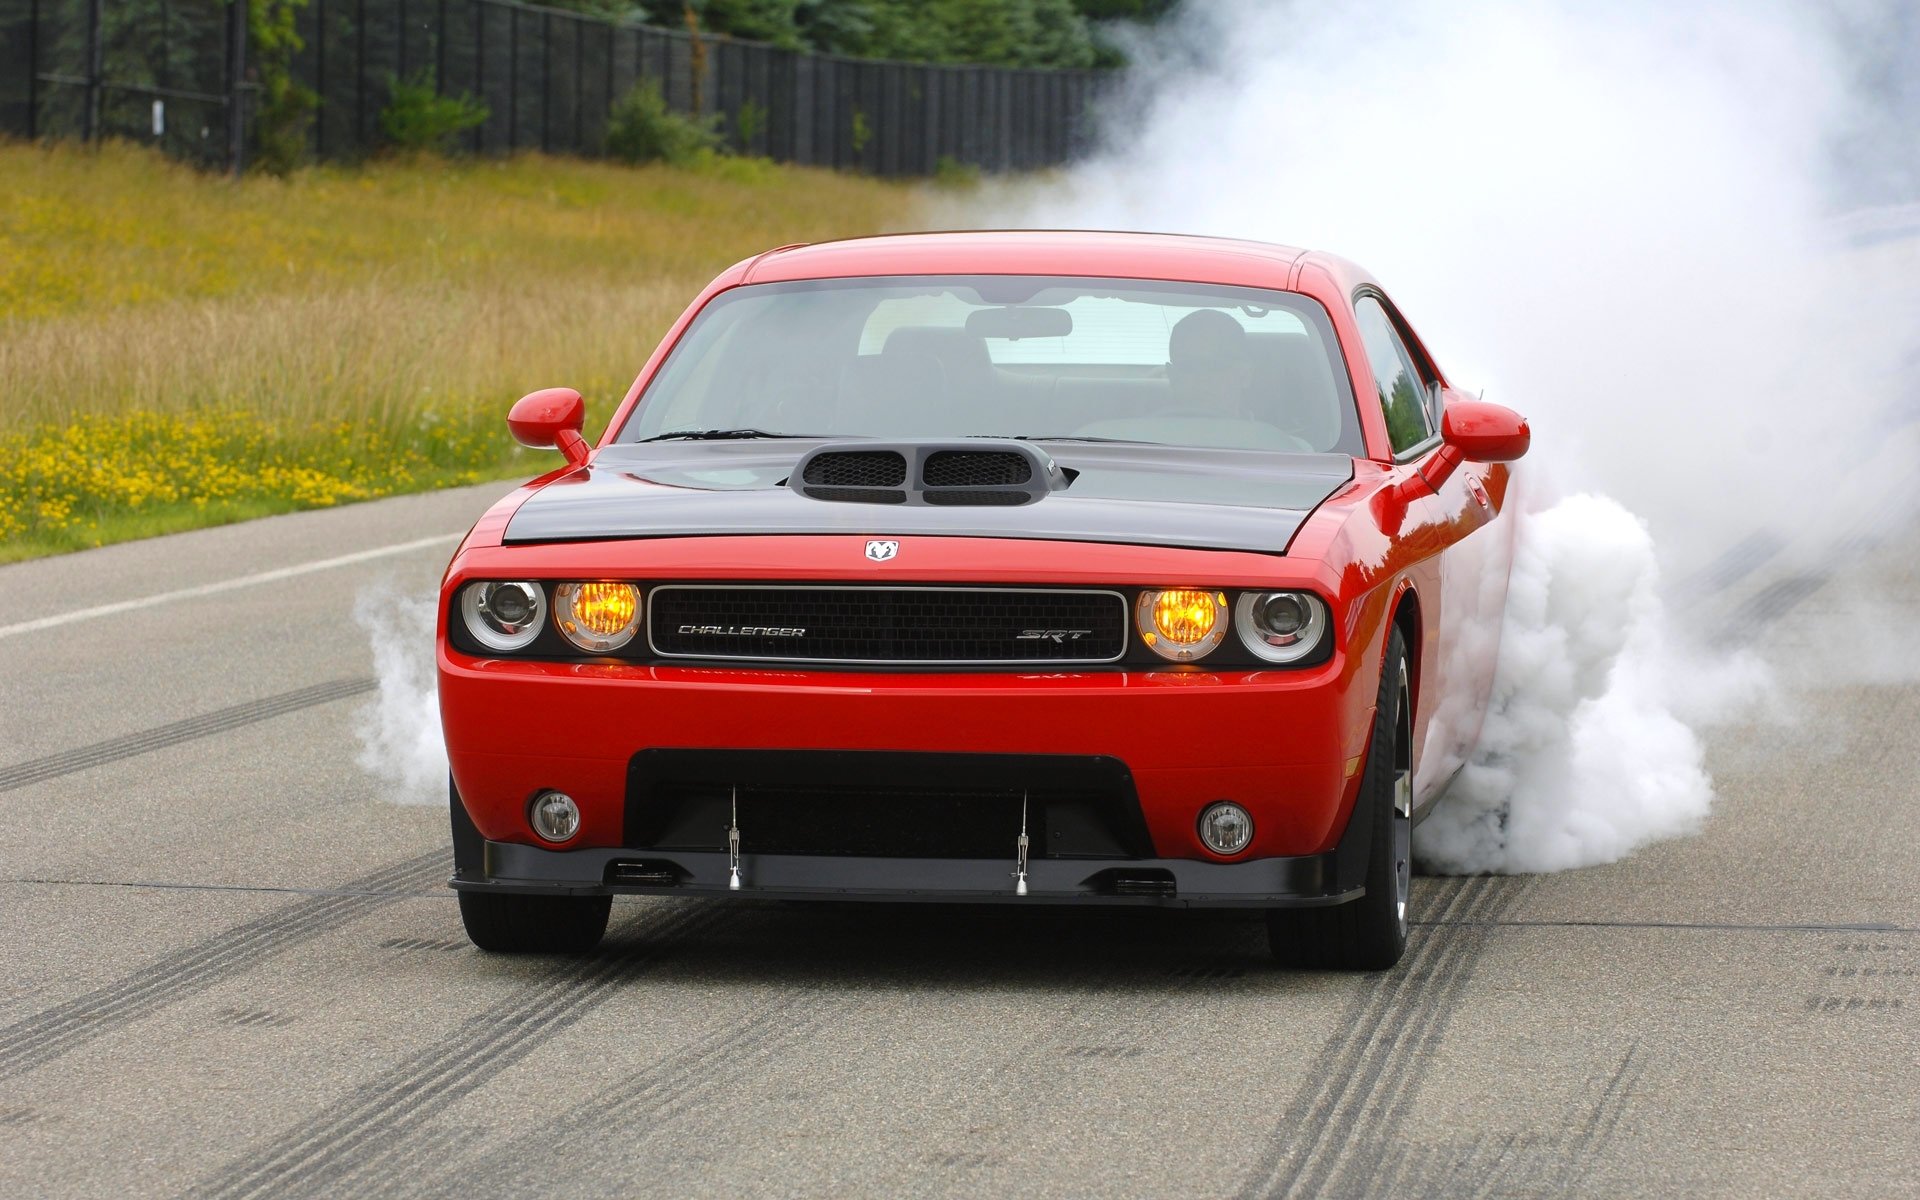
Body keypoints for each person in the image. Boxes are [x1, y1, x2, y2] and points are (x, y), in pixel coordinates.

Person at [1166, 309, 1253, 417]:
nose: (1202, 377)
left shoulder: (1270, 434)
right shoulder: (1145, 432)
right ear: (1172, 375)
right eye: (1188, 366)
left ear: (1245, 375)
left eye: (1216, 365)